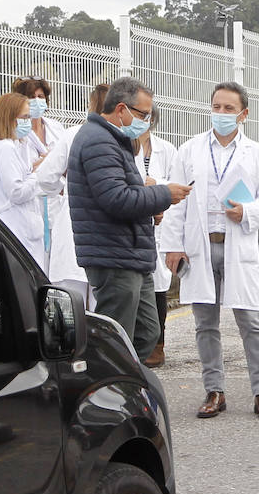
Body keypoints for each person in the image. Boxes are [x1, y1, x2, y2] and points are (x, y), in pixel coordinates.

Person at [163, 82, 259, 421]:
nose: (222, 113)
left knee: (250, 321)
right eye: (217, 106)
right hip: (200, 248)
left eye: (229, 109)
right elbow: (176, 203)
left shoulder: (256, 153)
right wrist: (173, 246)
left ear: (243, 114)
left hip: (237, 245)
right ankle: (214, 391)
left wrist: (246, 213)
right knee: (205, 324)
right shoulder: (190, 150)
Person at [67, 76, 191, 362]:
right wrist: (162, 195)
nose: (147, 121)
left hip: (129, 252)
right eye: (143, 114)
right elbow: (116, 199)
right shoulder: (98, 141)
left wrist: (150, 205)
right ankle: (107, 391)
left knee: (146, 331)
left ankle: (123, 384)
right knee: (115, 339)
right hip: (113, 256)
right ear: (121, 109)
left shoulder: (114, 140)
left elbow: (123, 192)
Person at [36, 83, 108, 309]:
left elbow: (45, 177)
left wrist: (62, 186)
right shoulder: (122, 140)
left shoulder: (73, 135)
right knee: (102, 312)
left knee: (67, 313)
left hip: (72, 230)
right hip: (106, 237)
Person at [135, 107, 178, 368]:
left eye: (147, 117)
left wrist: (154, 183)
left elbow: (177, 184)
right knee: (137, 288)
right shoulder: (123, 147)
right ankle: (136, 343)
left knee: (159, 288)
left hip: (161, 222)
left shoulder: (166, 149)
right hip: (137, 220)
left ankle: (157, 345)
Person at [0, 92, 47, 264]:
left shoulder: (4, 146)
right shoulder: (5, 148)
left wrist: (31, 169)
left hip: (18, 229)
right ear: (10, 117)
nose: (28, 122)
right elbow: (16, 192)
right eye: (24, 117)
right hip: (18, 230)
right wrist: (37, 173)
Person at [11, 76, 66, 266]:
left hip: (57, 203)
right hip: (33, 203)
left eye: (40, 96)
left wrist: (47, 164)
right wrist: (44, 164)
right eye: (30, 97)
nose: (36, 101)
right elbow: (23, 170)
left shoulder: (56, 128)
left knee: (58, 261)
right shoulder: (17, 131)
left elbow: (64, 163)